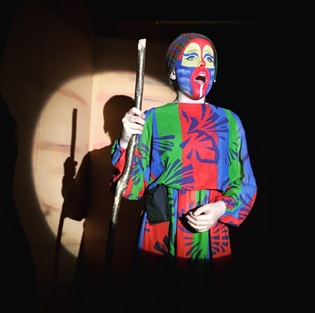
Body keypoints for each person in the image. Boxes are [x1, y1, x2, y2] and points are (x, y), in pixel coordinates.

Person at [110, 32, 258, 312]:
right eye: (191, 58)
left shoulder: (229, 121)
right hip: (161, 235)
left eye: (209, 60)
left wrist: (220, 210)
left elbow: (245, 184)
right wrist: (125, 141)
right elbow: (130, 189)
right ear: (173, 71)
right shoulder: (151, 119)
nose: (202, 66)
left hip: (210, 237)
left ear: (214, 75)